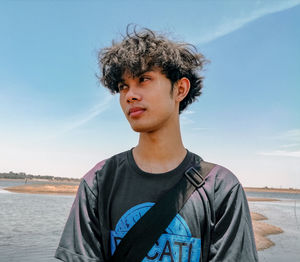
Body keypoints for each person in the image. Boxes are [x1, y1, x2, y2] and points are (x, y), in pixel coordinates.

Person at [55, 27, 258, 262]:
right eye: (123, 86)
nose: (130, 94)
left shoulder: (220, 188)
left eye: (144, 79)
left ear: (180, 89)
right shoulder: (100, 181)